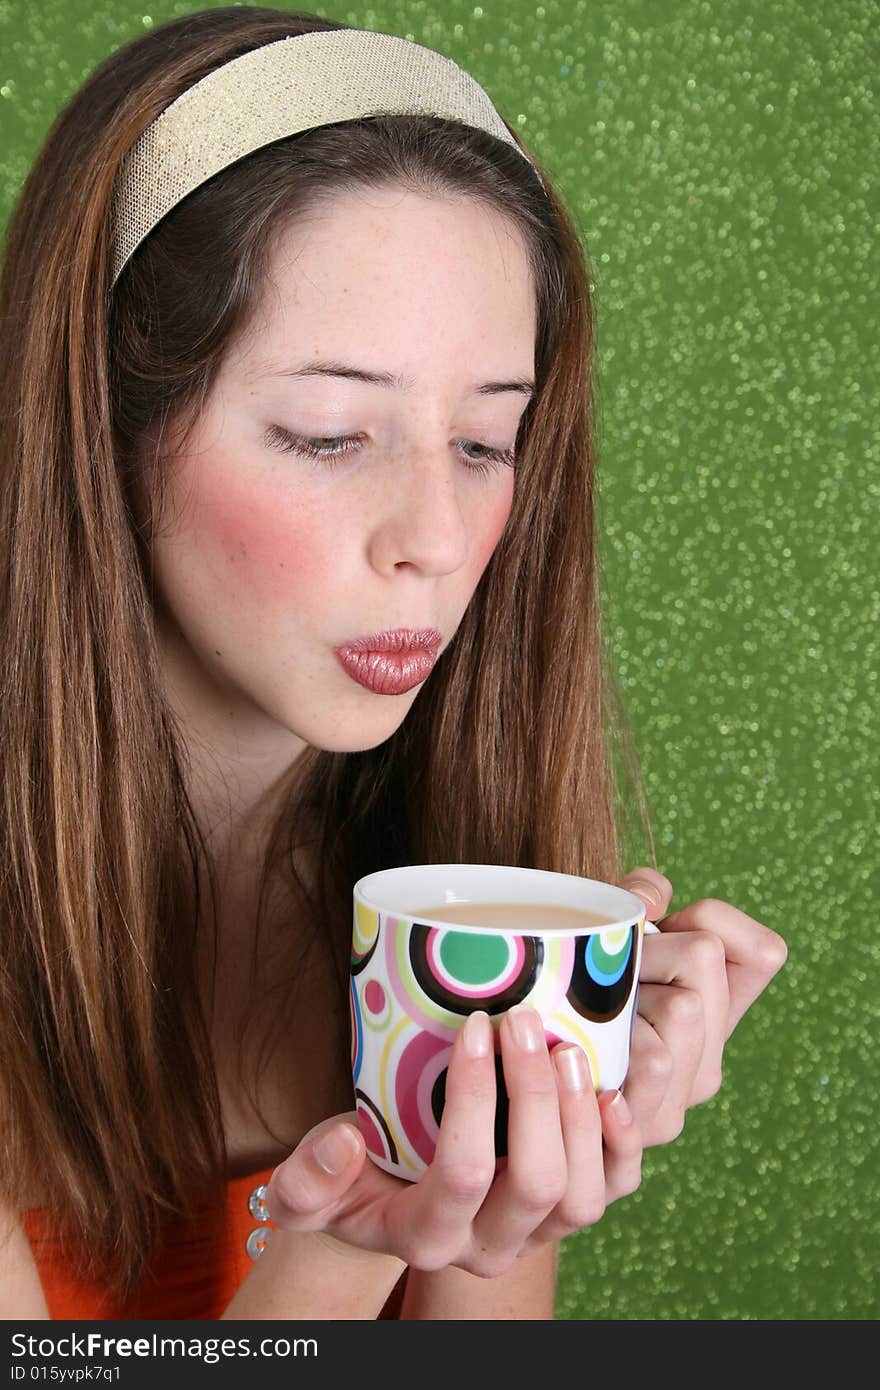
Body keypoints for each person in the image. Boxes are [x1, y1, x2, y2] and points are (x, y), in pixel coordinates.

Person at [0, 6, 787, 1321]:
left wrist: (488, 1189)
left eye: (486, 444)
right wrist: (357, 1239)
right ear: (104, 429)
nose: (436, 540)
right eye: (325, 434)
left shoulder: (470, 920)